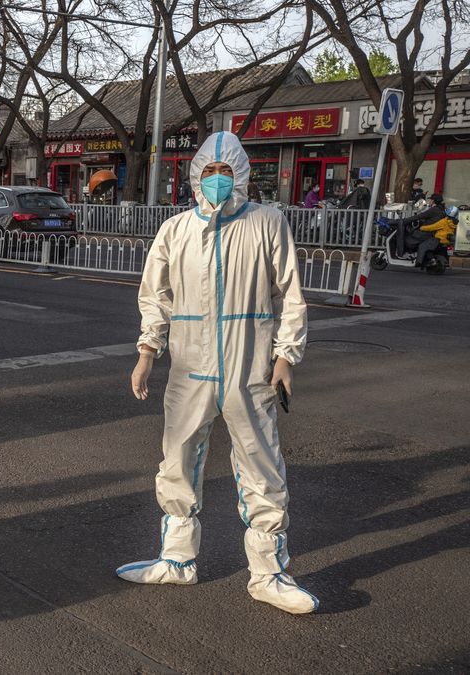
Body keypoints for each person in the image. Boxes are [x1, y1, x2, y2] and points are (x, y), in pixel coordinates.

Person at [121, 131, 317, 614]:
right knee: (177, 459)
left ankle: (268, 572)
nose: (216, 182)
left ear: (242, 175)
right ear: (194, 177)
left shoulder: (267, 223)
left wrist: (285, 356)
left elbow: (289, 293)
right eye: (208, 173)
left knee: (261, 464)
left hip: (249, 367)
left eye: (225, 173)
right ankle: (177, 559)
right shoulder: (175, 230)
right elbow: (156, 297)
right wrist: (148, 351)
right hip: (190, 368)